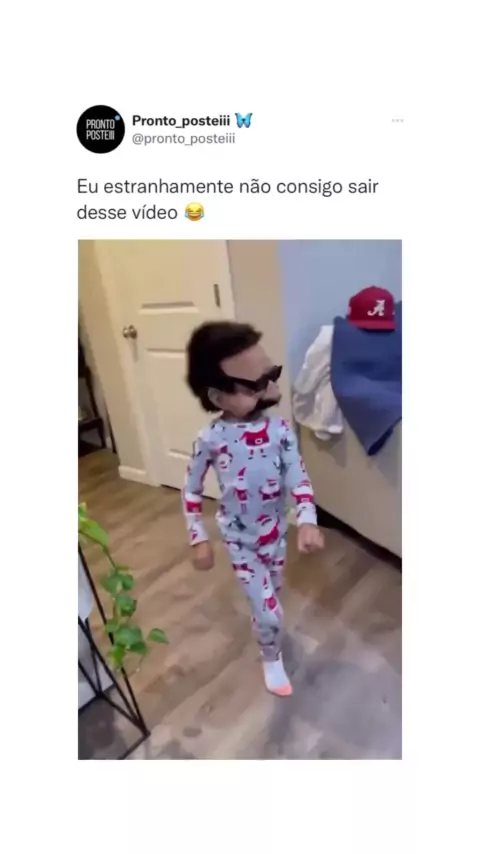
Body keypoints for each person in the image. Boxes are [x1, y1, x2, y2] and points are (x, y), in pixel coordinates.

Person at [182, 321, 324, 697]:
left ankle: (265, 626)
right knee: (270, 612)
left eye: (270, 376)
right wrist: (198, 537)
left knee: (271, 598)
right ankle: (270, 656)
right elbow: (191, 489)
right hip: (239, 540)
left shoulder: (280, 431)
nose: (269, 388)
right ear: (219, 397)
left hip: (275, 535)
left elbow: (297, 475)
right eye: (254, 384)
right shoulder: (210, 439)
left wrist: (307, 519)